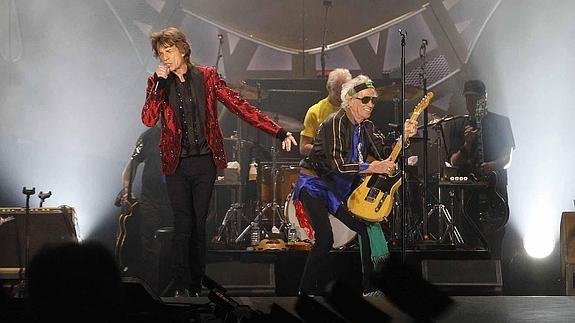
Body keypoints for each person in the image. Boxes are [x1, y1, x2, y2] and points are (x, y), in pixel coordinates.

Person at [141, 27, 296, 297]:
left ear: (183, 49)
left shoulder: (208, 77)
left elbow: (240, 106)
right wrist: (158, 85)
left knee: (199, 223)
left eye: (169, 51)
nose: (165, 58)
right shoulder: (157, 83)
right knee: (183, 223)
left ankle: (195, 282)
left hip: (204, 162)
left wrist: (278, 130)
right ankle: (179, 283)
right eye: (161, 53)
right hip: (175, 164)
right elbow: (148, 118)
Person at [292, 75, 418, 295]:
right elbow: (337, 166)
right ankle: (305, 290)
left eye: (373, 100)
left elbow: (386, 156)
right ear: (350, 100)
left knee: (365, 228)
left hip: (337, 187)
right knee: (325, 238)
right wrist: (372, 168)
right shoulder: (334, 122)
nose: (371, 104)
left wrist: (405, 138)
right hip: (314, 184)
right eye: (365, 100)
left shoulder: (366, 127)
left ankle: (371, 289)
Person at [447, 79, 515, 260]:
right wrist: (467, 144)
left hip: (495, 189)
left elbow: (507, 157)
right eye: (468, 99)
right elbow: (454, 162)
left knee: (496, 237)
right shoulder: (457, 124)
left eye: (476, 99)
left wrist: (492, 166)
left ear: (485, 98)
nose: (472, 103)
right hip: (468, 192)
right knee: (468, 237)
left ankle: (496, 277)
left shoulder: (501, 122)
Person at [117, 123, 173, 294]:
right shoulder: (149, 136)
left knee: (175, 245)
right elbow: (132, 164)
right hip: (152, 201)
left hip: (175, 200)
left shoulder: (184, 133)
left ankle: (173, 289)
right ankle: (150, 291)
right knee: (150, 246)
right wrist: (126, 191)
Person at [299, 68, 352, 155]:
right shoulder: (315, 111)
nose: (341, 96)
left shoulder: (355, 108)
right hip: (324, 164)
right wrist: (327, 150)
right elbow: (303, 147)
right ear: (328, 88)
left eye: (345, 92)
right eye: (337, 92)